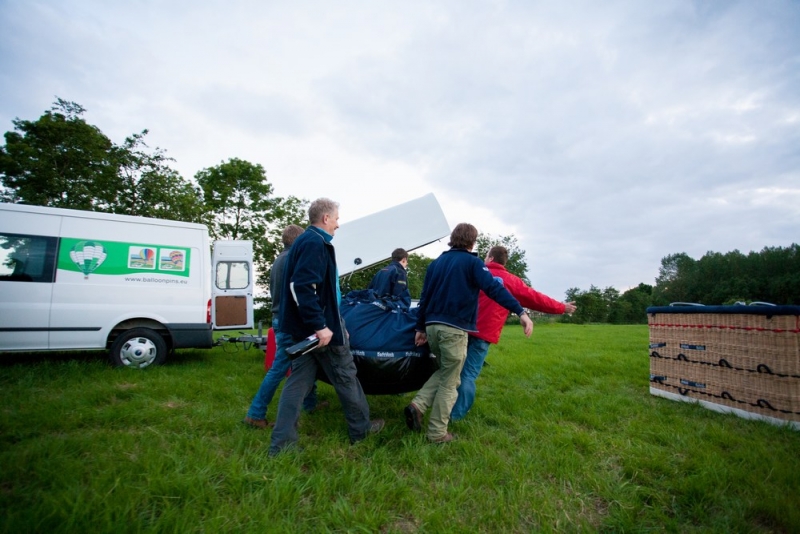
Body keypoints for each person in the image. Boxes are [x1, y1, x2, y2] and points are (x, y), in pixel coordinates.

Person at [269, 198, 384, 455]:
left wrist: (335, 322)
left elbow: (318, 290)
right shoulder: (314, 243)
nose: (338, 224)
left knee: (297, 383)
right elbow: (301, 287)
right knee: (346, 376)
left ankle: (281, 444)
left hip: (306, 331)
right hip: (320, 333)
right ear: (325, 218)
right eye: (336, 219)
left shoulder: (305, 241)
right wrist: (321, 325)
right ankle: (361, 430)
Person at [404, 223, 534, 444]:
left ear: (453, 238)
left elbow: (424, 297)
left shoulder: (436, 263)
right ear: (473, 242)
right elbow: (494, 288)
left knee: (446, 371)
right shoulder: (473, 263)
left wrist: (420, 327)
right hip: (454, 329)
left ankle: (418, 405)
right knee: (451, 382)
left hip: (432, 327)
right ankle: (437, 433)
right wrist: (520, 311)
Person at [450, 245, 577, 421]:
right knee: (468, 374)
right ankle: (455, 416)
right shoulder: (511, 281)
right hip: (484, 334)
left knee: (452, 370)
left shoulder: (475, 273)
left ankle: (442, 406)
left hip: (462, 328)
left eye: (486, 257)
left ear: (491, 259)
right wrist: (561, 307)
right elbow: (535, 298)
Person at [243, 225, 325, 429]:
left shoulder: (280, 259)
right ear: (298, 241)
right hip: (289, 321)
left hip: (280, 318)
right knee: (280, 368)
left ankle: (310, 404)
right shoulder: (293, 260)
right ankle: (255, 413)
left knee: (307, 361)